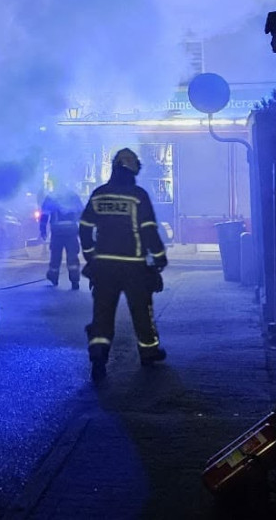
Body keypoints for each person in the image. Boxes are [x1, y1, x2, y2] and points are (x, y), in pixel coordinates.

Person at [79, 147, 167, 381]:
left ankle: (99, 355)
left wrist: (90, 256)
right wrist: (159, 258)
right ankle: (148, 352)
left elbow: (85, 227)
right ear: (133, 169)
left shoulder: (99, 194)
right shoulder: (138, 196)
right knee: (141, 311)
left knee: (102, 314)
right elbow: (148, 230)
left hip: (103, 266)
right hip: (133, 265)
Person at [40, 181, 85, 289]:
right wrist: (83, 231)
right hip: (71, 231)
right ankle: (75, 280)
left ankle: (54, 277)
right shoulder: (74, 197)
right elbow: (82, 214)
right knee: (72, 256)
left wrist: (43, 230)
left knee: (55, 256)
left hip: (57, 231)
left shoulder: (51, 197)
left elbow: (44, 215)